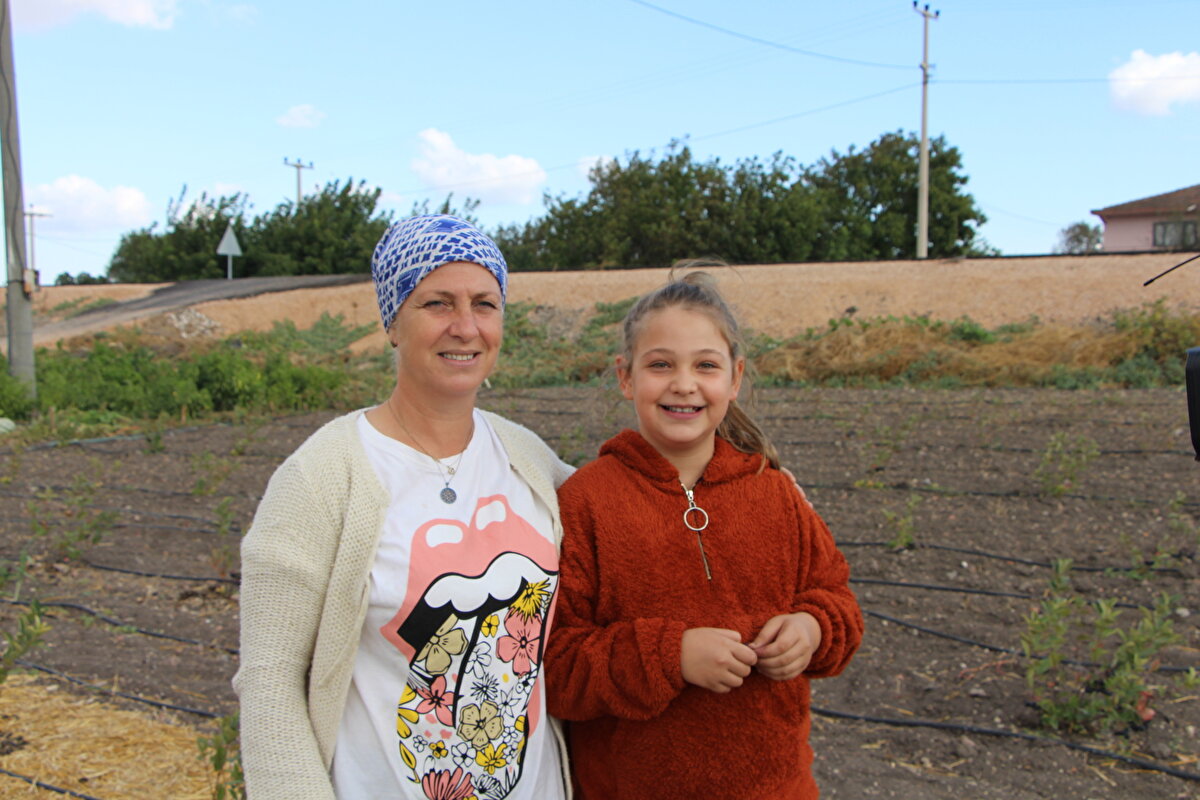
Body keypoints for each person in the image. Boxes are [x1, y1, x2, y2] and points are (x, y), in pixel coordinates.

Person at [234, 215, 573, 799]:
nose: (465, 327)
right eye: (437, 303)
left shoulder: (529, 459)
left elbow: (637, 533)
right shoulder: (322, 476)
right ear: (393, 321)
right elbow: (270, 681)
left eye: (485, 305)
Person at [543, 269, 864, 799]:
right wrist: (671, 656)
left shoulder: (774, 492)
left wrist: (812, 630)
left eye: (706, 366)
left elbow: (840, 604)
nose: (684, 383)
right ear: (626, 377)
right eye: (661, 364)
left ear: (734, 379)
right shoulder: (586, 503)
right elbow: (555, 665)